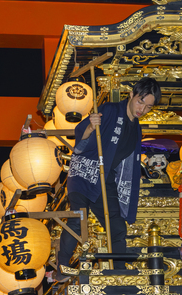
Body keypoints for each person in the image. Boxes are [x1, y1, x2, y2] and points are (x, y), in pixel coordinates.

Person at [58, 77, 161, 271]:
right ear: (131, 94)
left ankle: (119, 273)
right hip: (84, 173)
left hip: (105, 179)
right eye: (140, 102)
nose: (142, 109)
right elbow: (80, 137)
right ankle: (62, 267)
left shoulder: (136, 128)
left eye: (148, 107)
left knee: (117, 226)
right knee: (78, 218)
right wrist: (90, 126)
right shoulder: (110, 110)